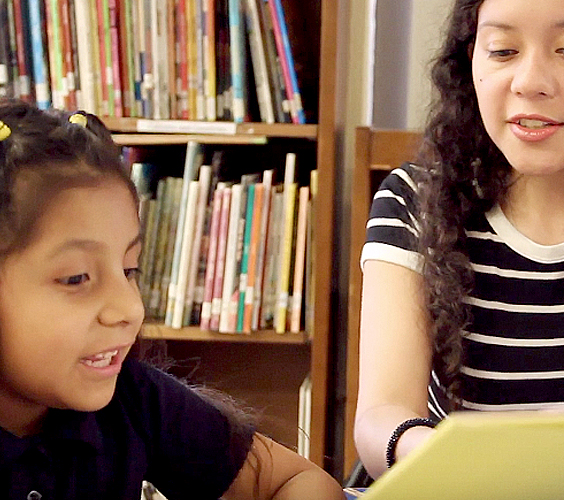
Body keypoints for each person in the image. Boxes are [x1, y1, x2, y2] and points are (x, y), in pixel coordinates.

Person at [354, 0, 564, 480]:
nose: (529, 81)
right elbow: (379, 418)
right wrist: (456, 461)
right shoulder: (417, 202)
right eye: (502, 50)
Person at [0, 99, 344, 500]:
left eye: (130, 270)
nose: (130, 309)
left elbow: (296, 481)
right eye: (77, 278)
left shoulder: (133, 399)